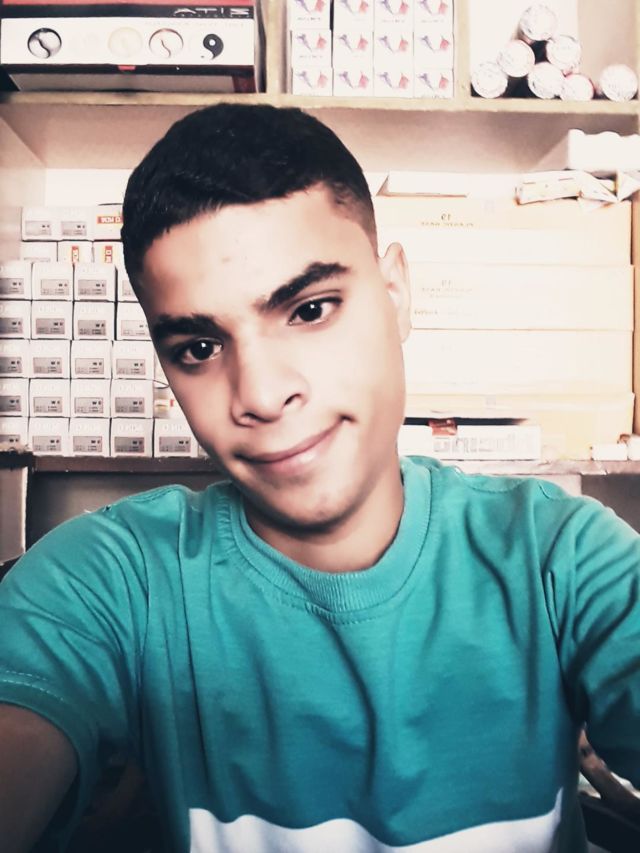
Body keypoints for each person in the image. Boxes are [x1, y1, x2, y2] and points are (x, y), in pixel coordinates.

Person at [0, 103, 639, 853]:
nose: (262, 394)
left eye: (309, 310)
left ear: (396, 294)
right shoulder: (111, 579)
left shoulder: (560, 556)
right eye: (200, 346)